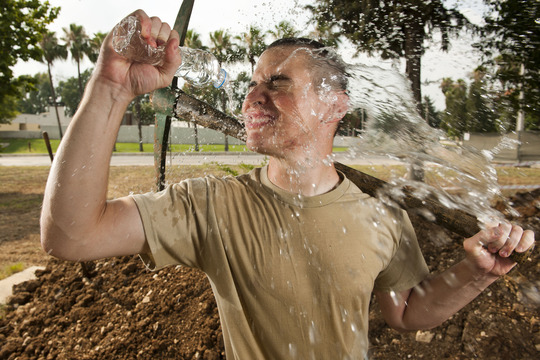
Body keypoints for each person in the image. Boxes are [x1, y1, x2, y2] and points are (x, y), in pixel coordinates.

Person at [40, 10, 535, 359]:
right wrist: (111, 86)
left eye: (277, 82)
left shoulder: (383, 217)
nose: (254, 95)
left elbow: (407, 313)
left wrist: (478, 272)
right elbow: (72, 235)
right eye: (253, 83)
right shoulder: (210, 204)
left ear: (334, 105)